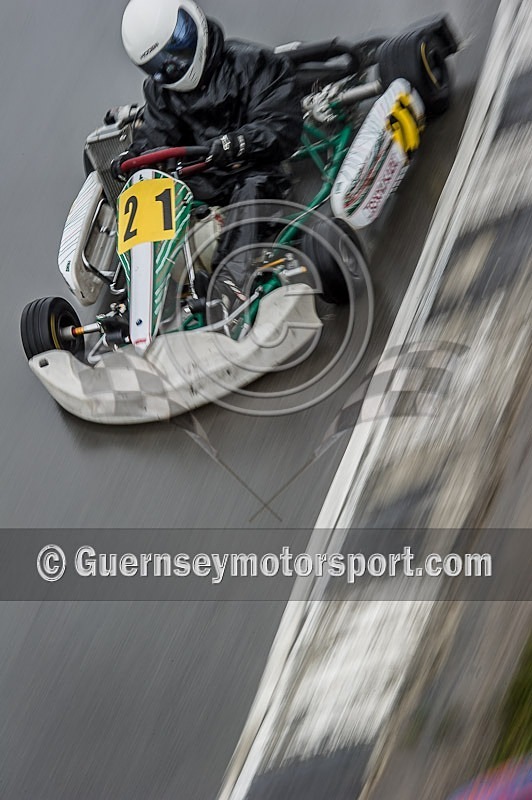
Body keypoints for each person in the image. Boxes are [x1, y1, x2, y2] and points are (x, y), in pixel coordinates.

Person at [114, 0, 303, 313]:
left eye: (176, 47)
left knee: (252, 187)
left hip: (256, 166)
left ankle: (227, 288)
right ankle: (132, 307)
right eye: (161, 62)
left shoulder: (253, 63)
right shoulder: (162, 94)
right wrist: (133, 159)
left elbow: (281, 126)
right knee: (148, 191)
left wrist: (239, 142)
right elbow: (155, 138)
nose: (173, 63)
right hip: (205, 178)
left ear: (193, 22)